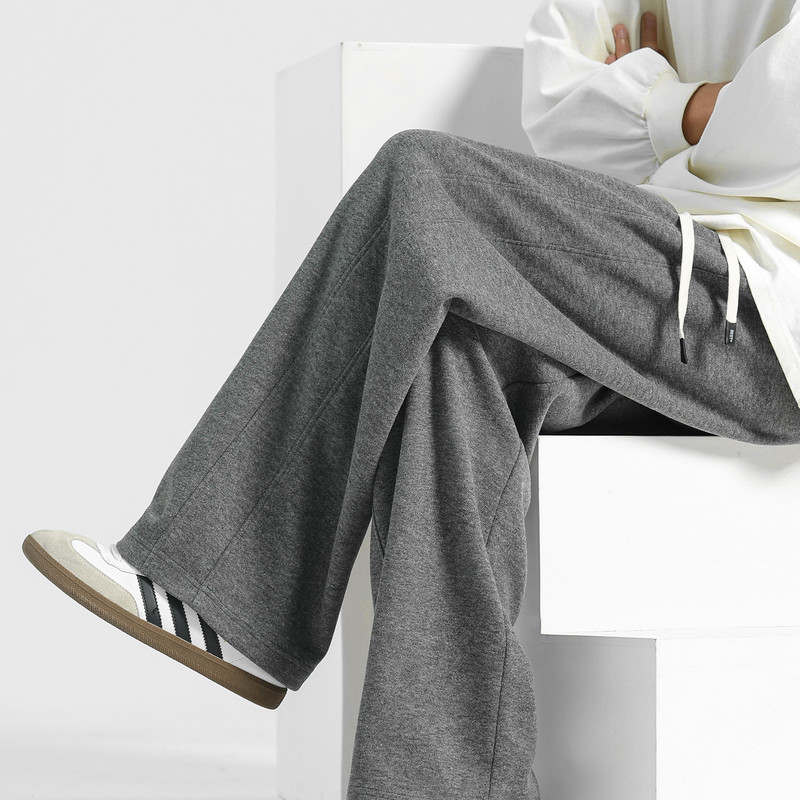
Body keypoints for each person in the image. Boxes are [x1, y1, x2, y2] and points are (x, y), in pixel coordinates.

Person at [22, 1, 800, 798]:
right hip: (663, 275)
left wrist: (661, 107)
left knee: (424, 182)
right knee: (457, 349)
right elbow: (561, 110)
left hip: (766, 311)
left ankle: (228, 596)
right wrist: (720, 115)